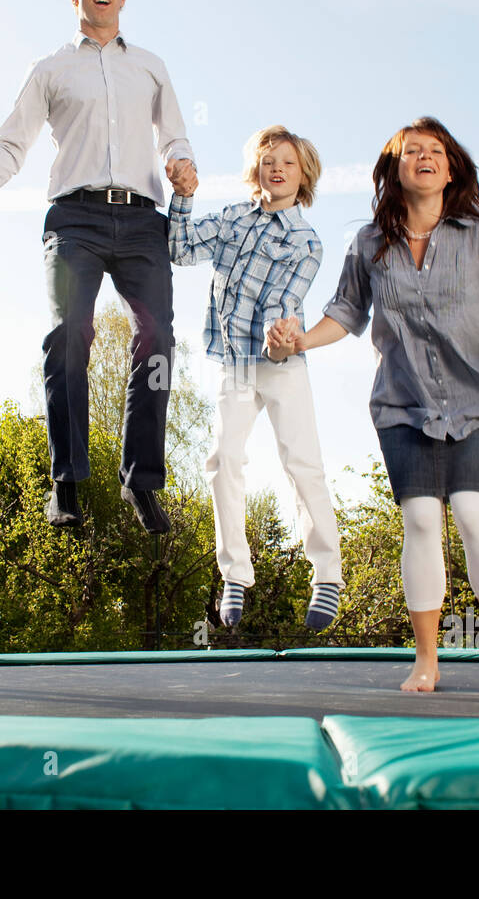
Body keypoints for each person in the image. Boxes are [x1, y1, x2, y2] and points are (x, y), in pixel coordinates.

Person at [269, 118, 479, 694]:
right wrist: (301, 339)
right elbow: (346, 314)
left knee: (475, 514)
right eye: (412, 152)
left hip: (476, 398)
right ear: (395, 168)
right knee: (422, 520)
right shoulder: (370, 244)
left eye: (435, 151)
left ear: (450, 168)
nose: (424, 157)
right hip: (403, 402)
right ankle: (427, 660)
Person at [0, 0, 195, 535]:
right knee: (69, 334)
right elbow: (13, 142)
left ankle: (141, 481)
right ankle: (66, 480)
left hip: (142, 222)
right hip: (74, 221)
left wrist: (183, 164)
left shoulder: (152, 66)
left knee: (157, 339)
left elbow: (175, 137)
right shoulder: (51, 68)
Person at [169, 126, 344, 631]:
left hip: (281, 363)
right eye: (269, 160)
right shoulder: (231, 219)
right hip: (234, 365)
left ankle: (327, 575)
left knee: (302, 464)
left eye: (288, 163)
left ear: (302, 174)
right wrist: (183, 197)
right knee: (223, 460)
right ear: (257, 168)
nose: (277, 169)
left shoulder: (307, 241)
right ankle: (235, 574)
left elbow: (285, 299)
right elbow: (180, 250)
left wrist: (282, 334)